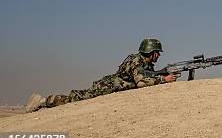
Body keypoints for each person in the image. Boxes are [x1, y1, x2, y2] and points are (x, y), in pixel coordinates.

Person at [25, 38, 177, 112]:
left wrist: (162, 74)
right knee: (76, 98)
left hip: (113, 86)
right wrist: (163, 80)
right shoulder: (137, 61)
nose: (159, 56)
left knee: (77, 98)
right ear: (151, 52)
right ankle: (44, 101)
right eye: (157, 53)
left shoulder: (145, 62)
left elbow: (148, 76)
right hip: (106, 87)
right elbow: (141, 83)